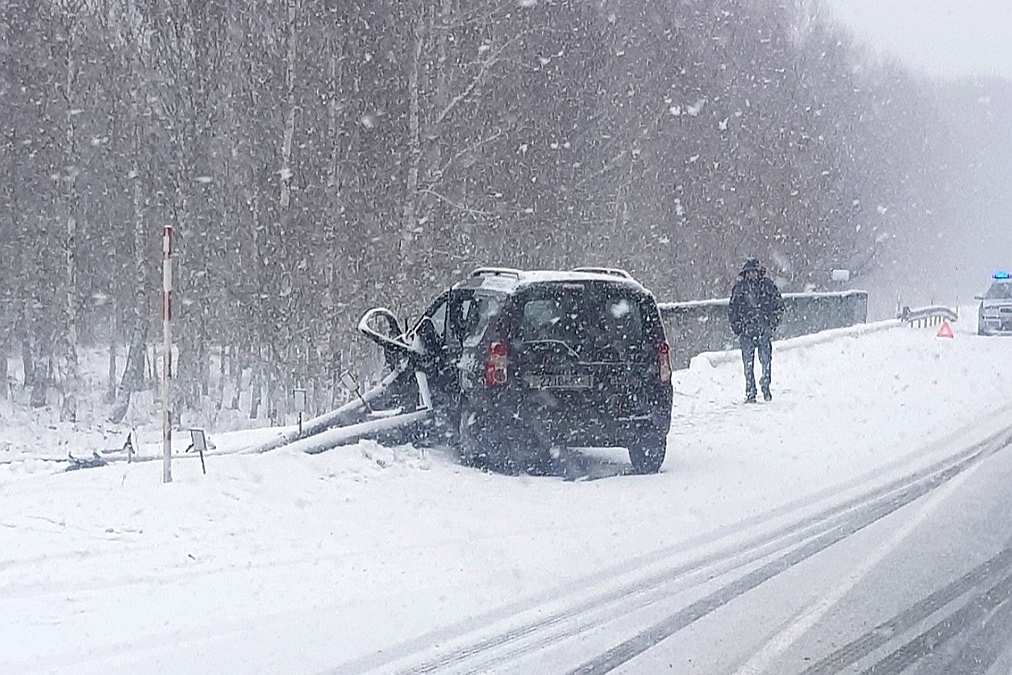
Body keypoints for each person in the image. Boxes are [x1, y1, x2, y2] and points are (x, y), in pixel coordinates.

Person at [728, 258, 784, 402]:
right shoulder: (740, 288)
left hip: (763, 331)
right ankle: (750, 391)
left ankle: (765, 386)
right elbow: (732, 310)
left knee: (765, 361)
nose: (752, 275)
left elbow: (778, 305)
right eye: (749, 272)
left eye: (754, 272)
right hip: (747, 332)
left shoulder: (767, 286)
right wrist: (738, 327)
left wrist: (771, 324)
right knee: (748, 364)